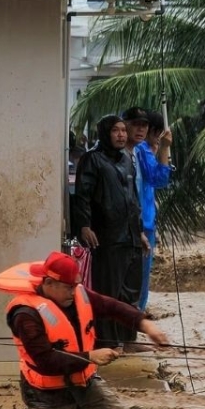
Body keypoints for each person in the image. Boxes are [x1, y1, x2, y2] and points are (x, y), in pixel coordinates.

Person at [0, 251, 169, 409]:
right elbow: (45, 360)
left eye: (75, 286)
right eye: (68, 287)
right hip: (45, 393)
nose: (73, 292)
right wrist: (90, 357)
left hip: (83, 383)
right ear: (49, 283)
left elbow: (111, 306)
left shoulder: (76, 295)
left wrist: (145, 325)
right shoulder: (25, 315)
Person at [70, 114, 145, 348]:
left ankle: (127, 338)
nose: (121, 135)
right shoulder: (92, 159)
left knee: (131, 293)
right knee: (108, 293)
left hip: (131, 236)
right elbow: (82, 195)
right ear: (105, 133)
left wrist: (140, 232)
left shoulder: (126, 159)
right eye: (116, 130)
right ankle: (106, 342)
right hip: (108, 237)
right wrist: (84, 225)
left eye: (124, 130)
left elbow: (133, 199)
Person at [122, 107, 173, 312]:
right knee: (140, 278)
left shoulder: (139, 151)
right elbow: (159, 178)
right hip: (142, 223)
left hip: (143, 221)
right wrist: (164, 150)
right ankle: (136, 319)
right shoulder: (142, 150)